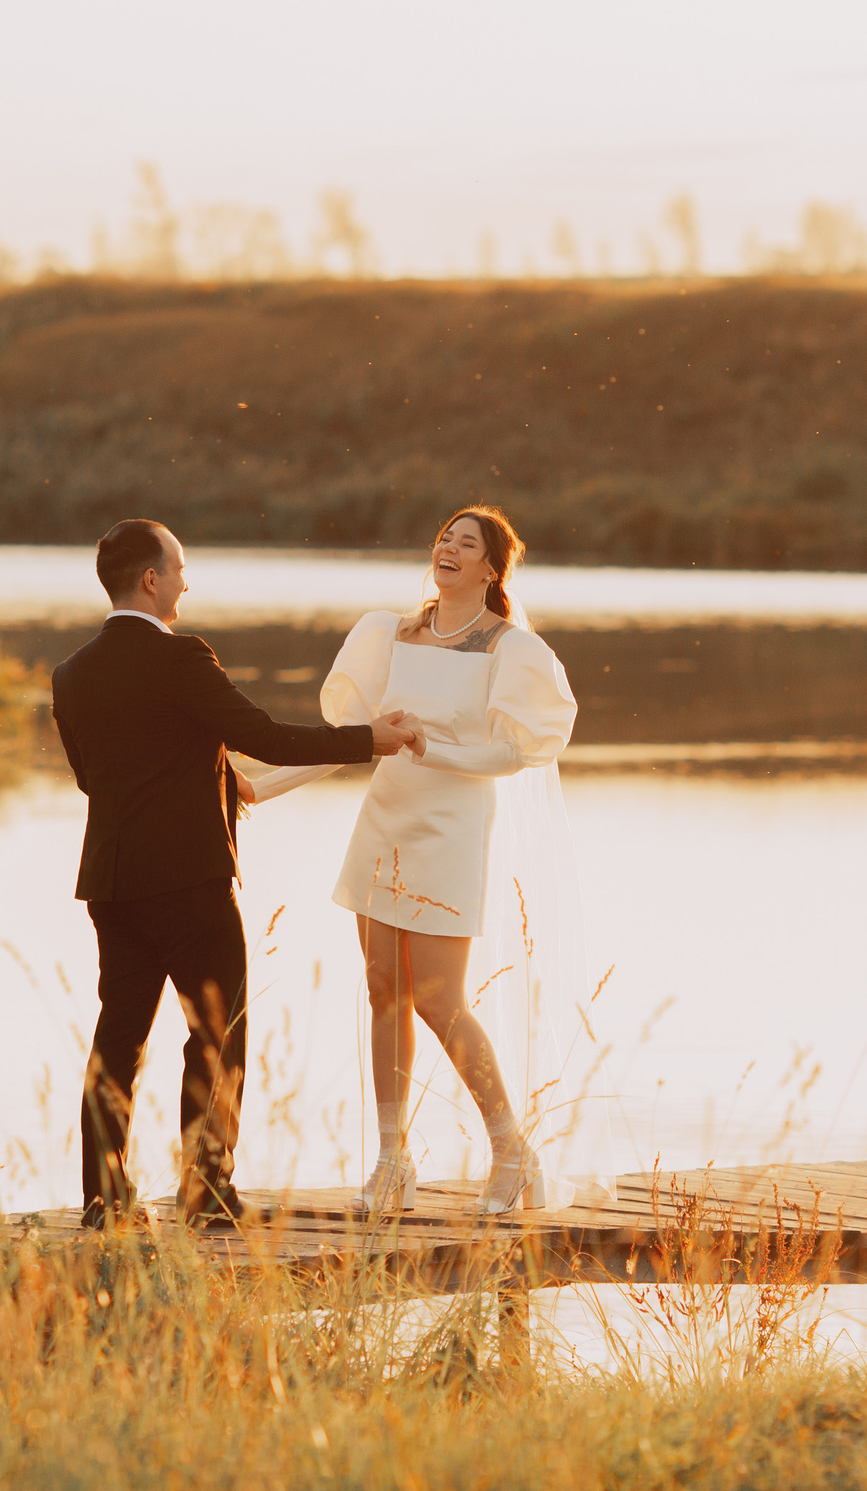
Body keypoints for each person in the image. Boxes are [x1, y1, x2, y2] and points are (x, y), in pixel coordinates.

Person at [51, 519, 422, 1230]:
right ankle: (208, 1192)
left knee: (118, 1038)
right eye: (180, 567)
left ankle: (103, 1200)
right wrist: (368, 739)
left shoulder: (73, 672)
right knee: (219, 1032)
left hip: (110, 880)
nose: (187, 581)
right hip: (189, 879)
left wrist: (220, 786)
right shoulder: (182, 658)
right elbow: (267, 736)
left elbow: (93, 777)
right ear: (152, 579)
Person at [248, 506, 583, 1216]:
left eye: (468, 543)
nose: (449, 547)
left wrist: (439, 749)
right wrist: (261, 785)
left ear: (492, 568)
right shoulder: (387, 633)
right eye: (443, 537)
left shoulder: (510, 648)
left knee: (438, 996)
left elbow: (518, 750)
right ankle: (394, 1158)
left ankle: (512, 1149)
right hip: (385, 819)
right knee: (383, 992)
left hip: (452, 824)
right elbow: (353, 738)